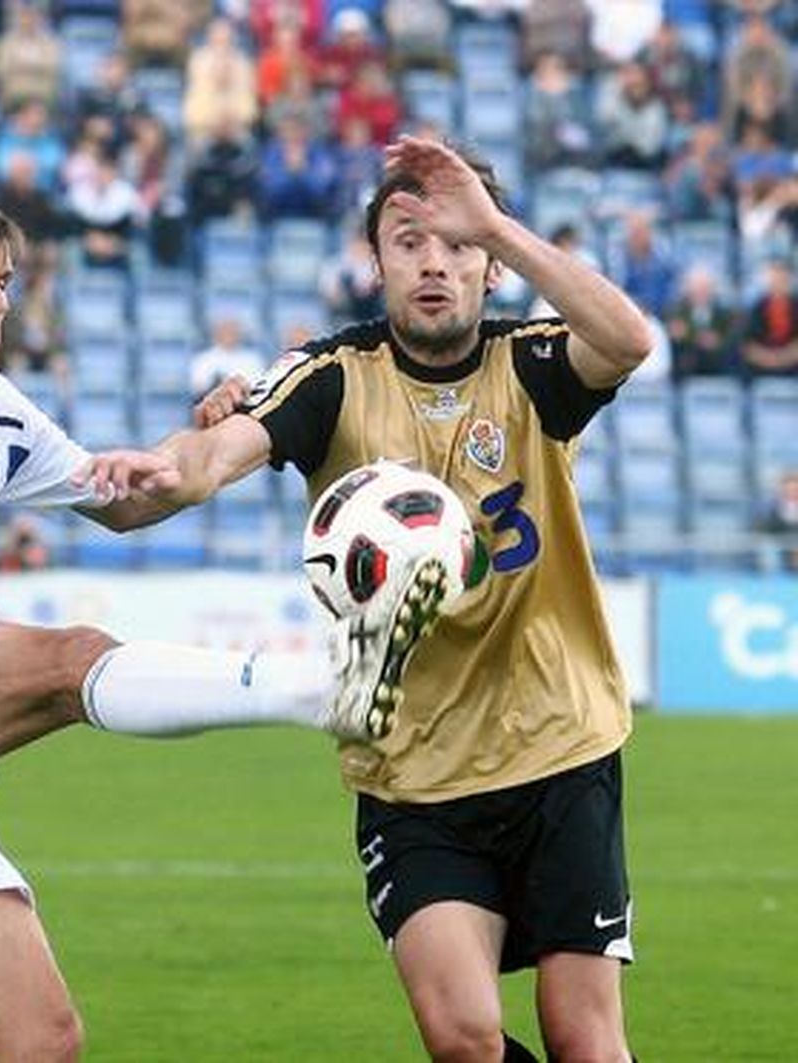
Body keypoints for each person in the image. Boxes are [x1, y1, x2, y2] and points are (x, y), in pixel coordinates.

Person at [0, 186, 432, 1059]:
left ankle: (327, 688)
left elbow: (121, 500)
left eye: (6, 281)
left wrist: (215, 434)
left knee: (42, 1038)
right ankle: (326, 687)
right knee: (66, 664)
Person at [91, 137, 655, 1062]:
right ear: (377, 261)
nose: (435, 262)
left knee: (584, 1040)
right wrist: (159, 472)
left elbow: (631, 339)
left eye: (457, 245)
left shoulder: (536, 366)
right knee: (463, 1039)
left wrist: (499, 226)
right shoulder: (332, 377)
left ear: (487, 262)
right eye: (409, 241)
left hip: (559, 746)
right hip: (410, 770)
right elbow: (213, 456)